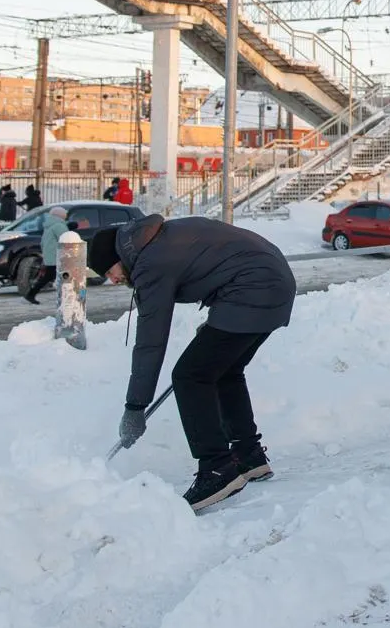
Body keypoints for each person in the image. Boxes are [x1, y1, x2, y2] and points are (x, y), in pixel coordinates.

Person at [100, 213, 296, 512]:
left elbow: (151, 341)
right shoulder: (160, 238)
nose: (112, 279)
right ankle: (248, 455)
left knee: (189, 376)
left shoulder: (150, 261)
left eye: (108, 270)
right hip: (275, 282)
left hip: (253, 288)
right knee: (225, 371)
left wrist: (135, 407)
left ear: (118, 257)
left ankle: (217, 468)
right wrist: (220, 316)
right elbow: (221, 262)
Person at [22, 205, 68, 304]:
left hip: (50, 255)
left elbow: (43, 243)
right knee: (63, 276)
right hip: (58, 256)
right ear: (61, 216)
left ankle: (31, 294)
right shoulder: (59, 226)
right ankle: (31, 294)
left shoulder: (49, 226)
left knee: (51, 276)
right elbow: (66, 239)